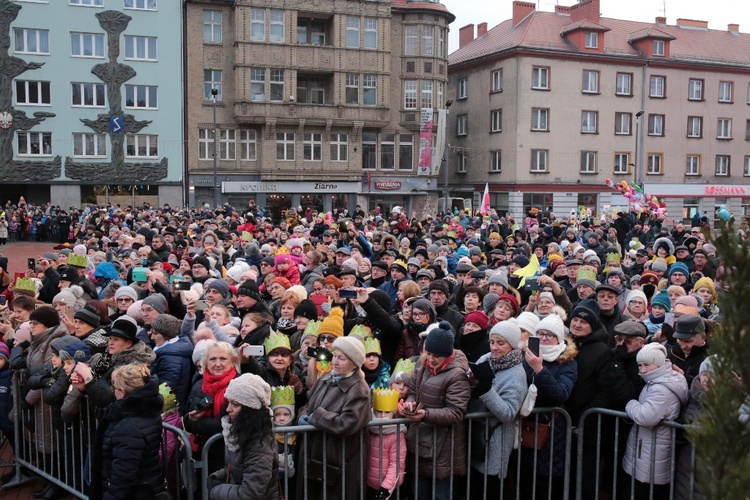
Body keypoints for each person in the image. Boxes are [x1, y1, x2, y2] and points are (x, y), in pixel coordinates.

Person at [400, 321, 470, 500]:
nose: (430, 359)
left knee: (441, 494)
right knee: (419, 493)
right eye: (428, 353)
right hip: (421, 441)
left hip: (444, 447)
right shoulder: (422, 365)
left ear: (447, 355)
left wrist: (426, 415)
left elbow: (456, 412)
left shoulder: (457, 375)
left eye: (436, 356)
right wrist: (410, 403)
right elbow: (413, 391)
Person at [297, 336, 371, 499]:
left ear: (353, 363)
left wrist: (317, 416)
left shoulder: (359, 390)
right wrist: (303, 415)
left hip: (339, 463)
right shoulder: (325, 378)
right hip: (315, 457)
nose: (335, 362)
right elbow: (308, 404)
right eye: (335, 356)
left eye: (341, 358)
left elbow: (346, 423)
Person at [520, 310, 578, 499]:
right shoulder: (527, 356)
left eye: (549, 335)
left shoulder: (567, 361)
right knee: (525, 479)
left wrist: (539, 368)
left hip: (552, 431)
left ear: (559, 338)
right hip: (526, 427)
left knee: (545, 482)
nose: (544, 339)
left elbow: (560, 394)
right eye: (540, 334)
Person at [468, 319, 528, 493]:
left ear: (511, 345)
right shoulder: (486, 359)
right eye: (492, 342)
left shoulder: (517, 374)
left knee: (489, 488)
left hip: (494, 440)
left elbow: (508, 413)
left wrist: (486, 390)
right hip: (475, 434)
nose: (494, 347)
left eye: (500, 343)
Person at [622, 344, 688, 500]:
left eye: (647, 365)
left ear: (658, 364)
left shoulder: (660, 388)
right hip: (648, 449)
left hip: (650, 452)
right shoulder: (660, 381)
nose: (643, 370)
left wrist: (630, 403)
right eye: (640, 365)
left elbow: (646, 417)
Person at [92, 363, 166, 499]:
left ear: (122, 391)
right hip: (147, 487)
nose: (113, 390)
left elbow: (123, 475)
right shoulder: (147, 411)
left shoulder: (128, 427)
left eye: (114, 387)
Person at [206, 373, 280, 499]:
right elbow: (239, 467)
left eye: (235, 404)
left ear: (250, 409)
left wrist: (216, 491)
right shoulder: (241, 433)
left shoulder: (259, 443)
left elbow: (250, 494)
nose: (228, 409)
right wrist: (218, 476)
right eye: (228, 402)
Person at [184, 341, 240, 473]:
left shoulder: (240, 384)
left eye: (223, 359)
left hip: (231, 454)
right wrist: (191, 420)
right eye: (213, 359)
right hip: (202, 453)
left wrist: (199, 424)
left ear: (232, 361)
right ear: (206, 363)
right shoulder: (198, 384)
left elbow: (232, 423)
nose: (218, 364)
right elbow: (187, 419)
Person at [368, 388, 407, 500]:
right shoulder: (369, 429)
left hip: (388, 489)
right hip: (368, 485)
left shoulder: (397, 434)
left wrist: (385, 489)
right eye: (379, 411)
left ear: (393, 413)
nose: (383, 416)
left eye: (387, 412)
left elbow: (396, 464)